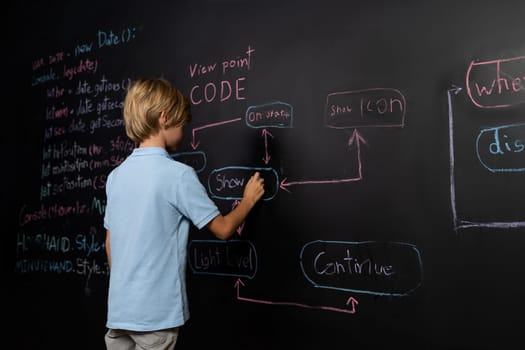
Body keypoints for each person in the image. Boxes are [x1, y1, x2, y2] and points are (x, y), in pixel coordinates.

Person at [103, 78, 265, 350]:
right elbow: (223, 229)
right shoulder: (177, 176)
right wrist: (248, 201)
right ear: (164, 119)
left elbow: (109, 244)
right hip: (156, 318)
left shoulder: (115, 177)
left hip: (119, 313)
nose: (186, 132)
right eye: (182, 124)